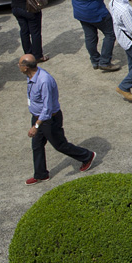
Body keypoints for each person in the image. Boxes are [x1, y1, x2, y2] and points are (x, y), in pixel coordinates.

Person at [19, 55, 96, 186]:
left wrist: (36, 126)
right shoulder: (31, 76)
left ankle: (87, 156)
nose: (18, 66)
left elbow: (47, 108)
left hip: (49, 119)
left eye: (19, 64)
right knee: (37, 146)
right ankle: (41, 174)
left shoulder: (44, 81)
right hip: (38, 117)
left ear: (26, 67)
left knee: (60, 145)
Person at [67, 0, 120, 72]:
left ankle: (95, 60)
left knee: (90, 37)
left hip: (81, 13)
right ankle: (105, 61)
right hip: (96, 13)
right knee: (110, 34)